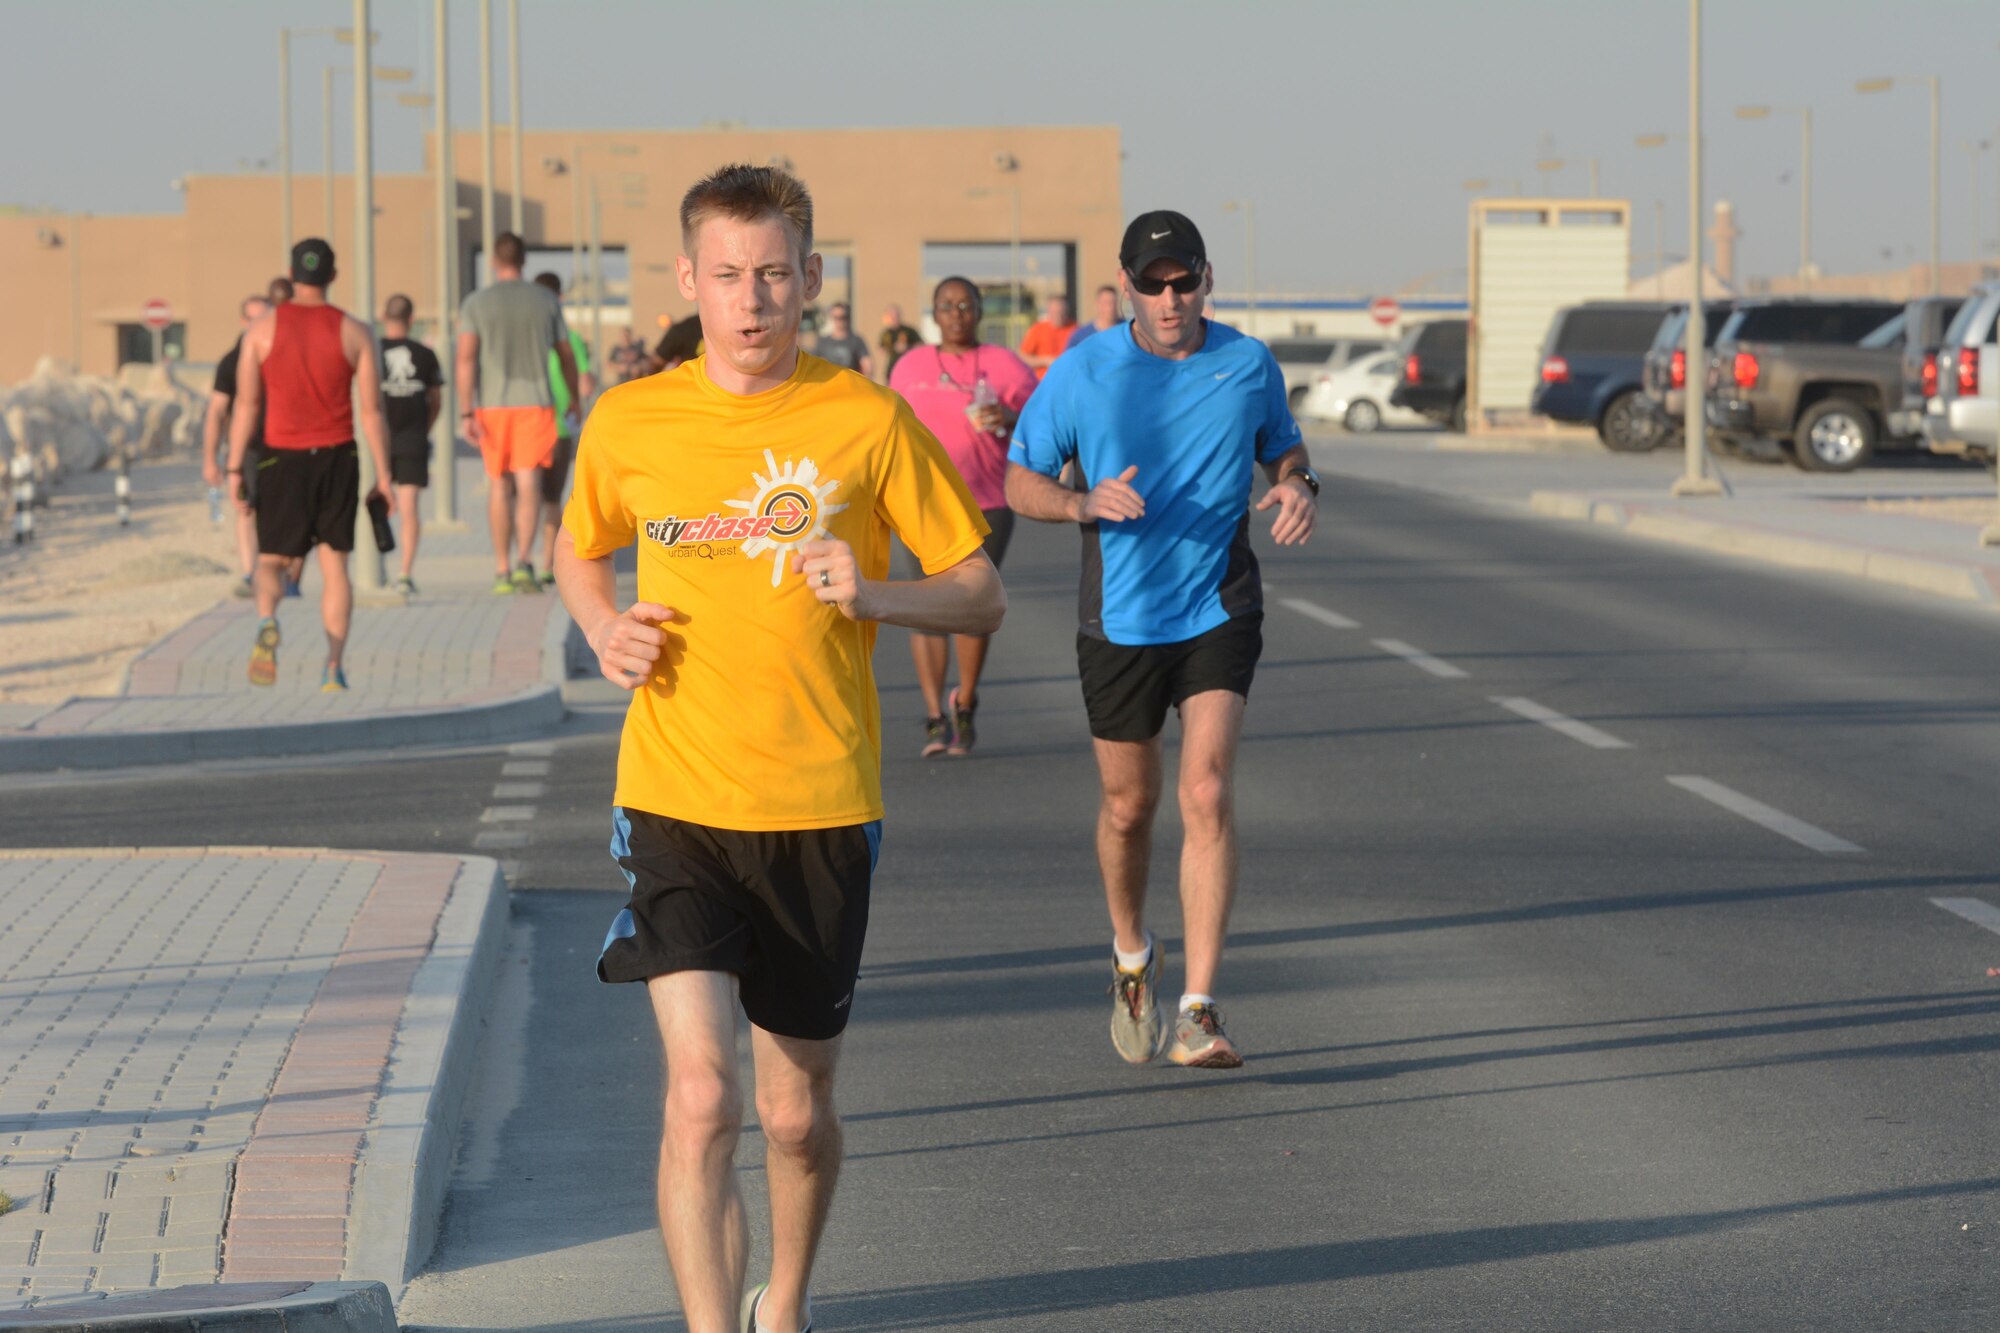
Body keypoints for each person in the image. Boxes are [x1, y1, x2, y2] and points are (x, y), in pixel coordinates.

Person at [554, 163, 1002, 1333]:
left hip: (819, 803)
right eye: (727, 277)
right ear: (687, 280)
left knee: (792, 1112)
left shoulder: (863, 418)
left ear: (809, 278)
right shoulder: (632, 418)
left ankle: (783, 1302)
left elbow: (979, 590)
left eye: (773, 275)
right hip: (674, 794)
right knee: (701, 1098)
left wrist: (875, 594)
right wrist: (603, 626)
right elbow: (579, 547)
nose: (751, 301)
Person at [1005, 210, 1318, 1071]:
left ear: (1206, 279)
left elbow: (1286, 453)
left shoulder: (1247, 362)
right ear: (1130, 286)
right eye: (1153, 283)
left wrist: (1301, 487)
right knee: (1127, 807)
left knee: (1207, 792)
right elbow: (1019, 477)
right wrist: (1079, 503)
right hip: (1120, 618)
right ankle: (1133, 950)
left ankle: (1200, 1009)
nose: (1171, 297)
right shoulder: (1085, 370)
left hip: (1219, 604)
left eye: (1184, 281)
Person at [227, 237, 395, 693]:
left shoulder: (260, 330)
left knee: (270, 561)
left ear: (292, 273)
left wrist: (233, 468)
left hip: (280, 458)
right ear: (334, 276)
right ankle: (333, 667)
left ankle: (267, 618)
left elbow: (245, 404)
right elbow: (373, 412)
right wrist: (385, 476)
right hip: (338, 455)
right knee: (335, 565)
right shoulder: (356, 331)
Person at [887, 277, 1035, 756]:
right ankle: (934, 716)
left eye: (965, 306)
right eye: (946, 306)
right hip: (920, 506)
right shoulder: (909, 366)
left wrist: (1008, 420)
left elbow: (1045, 419)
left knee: (973, 611)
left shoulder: (1005, 364)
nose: (956, 314)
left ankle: (965, 702)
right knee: (926, 613)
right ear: (934, 313)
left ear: (978, 312)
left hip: (987, 504)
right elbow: (887, 431)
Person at [456, 231, 580, 594]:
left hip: (493, 404)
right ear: (524, 260)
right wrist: (573, 397)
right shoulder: (544, 300)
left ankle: (501, 568)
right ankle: (526, 560)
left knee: (499, 484)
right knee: (529, 482)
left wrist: (466, 410)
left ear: (495, 261)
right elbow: (566, 354)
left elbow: (465, 359)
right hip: (536, 402)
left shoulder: (476, 303)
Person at [532, 272, 597, 586]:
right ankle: (547, 564)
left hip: (524, 424)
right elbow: (585, 382)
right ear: (558, 299)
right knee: (551, 499)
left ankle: (519, 562)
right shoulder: (569, 339)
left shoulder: (526, 339)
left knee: (523, 494)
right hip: (559, 428)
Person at [203, 293, 269, 598]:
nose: (259, 323)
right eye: (253, 317)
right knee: (245, 508)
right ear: (244, 321)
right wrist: (210, 459)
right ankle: (249, 571)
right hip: (247, 448)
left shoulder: (278, 354)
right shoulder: (231, 361)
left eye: (264, 316)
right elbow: (216, 411)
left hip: (285, 445)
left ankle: (278, 572)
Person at [378, 293, 444, 594]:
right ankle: (404, 572)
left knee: (374, 504)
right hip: (412, 440)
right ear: (411, 319)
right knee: (409, 508)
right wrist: (422, 429)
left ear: (383, 317)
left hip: (377, 441)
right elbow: (436, 402)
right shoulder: (425, 354)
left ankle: (377, 565)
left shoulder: (373, 351)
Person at [1017, 293, 1076, 379]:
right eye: (1055, 312)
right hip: (1043, 382)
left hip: (1068, 381)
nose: (1058, 316)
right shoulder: (1037, 329)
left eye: (1061, 311)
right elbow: (1022, 357)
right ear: (1049, 311)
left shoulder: (1076, 330)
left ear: (1067, 311)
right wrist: (1045, 361)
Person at [811, 302, 872, 378]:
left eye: (842, 317)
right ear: (831, 318)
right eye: (836, 317)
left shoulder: (856, 341)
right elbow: (815, 366)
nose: (839, 321)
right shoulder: (823, 342)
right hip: (829, 385)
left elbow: (867, 365)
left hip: (850, 385)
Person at [1066, 284, 1122, 350]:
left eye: (1114, 303)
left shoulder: (1128, 332)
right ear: (1097, 304)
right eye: (1106, 303)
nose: (1110, 308)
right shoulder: (1082, 336)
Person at [876, 302, 921, 381]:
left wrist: (907, 347)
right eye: (891, 316)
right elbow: (881, 350)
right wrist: (892, 348)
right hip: (892, 368)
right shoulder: (886, 333)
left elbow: (920, 345)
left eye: (896, 316)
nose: (894, 318)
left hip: (908, 368)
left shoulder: (908, 330)